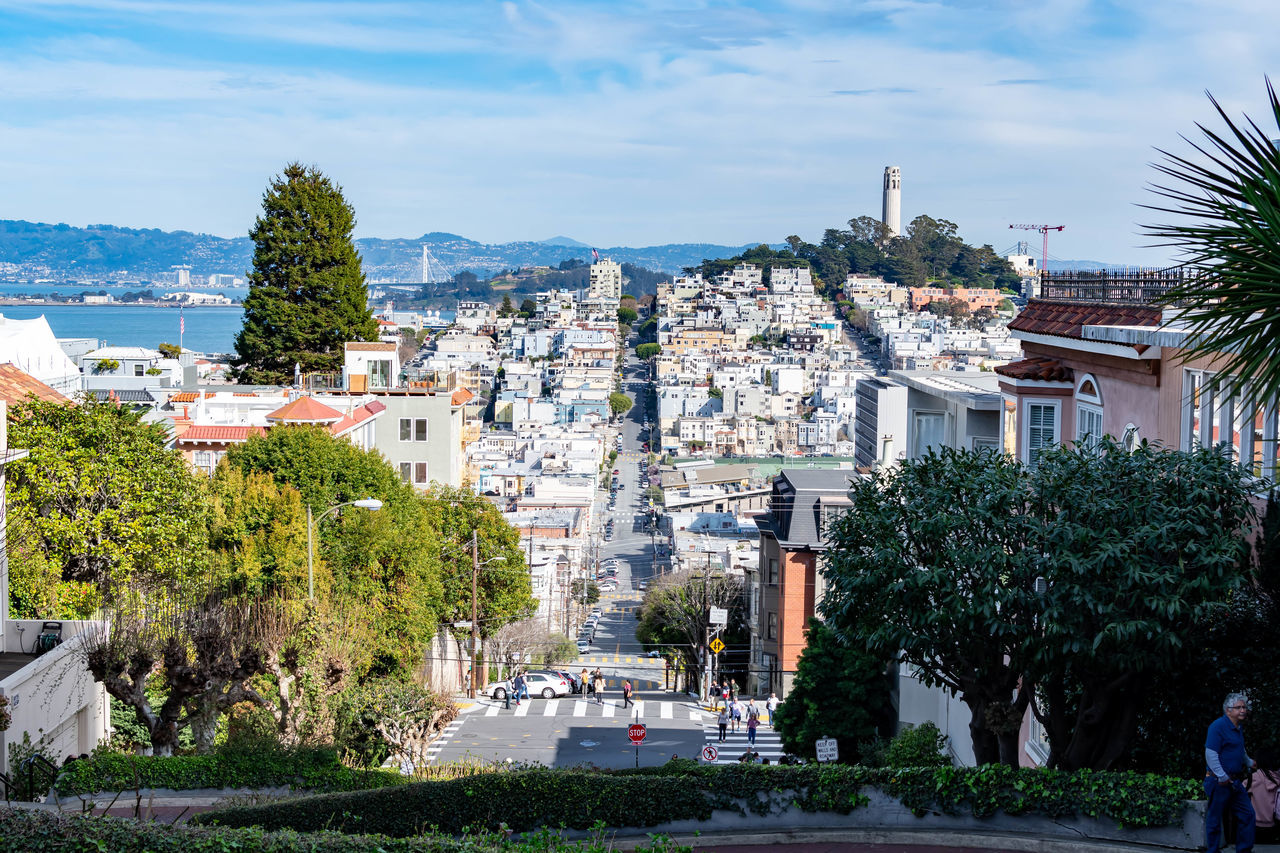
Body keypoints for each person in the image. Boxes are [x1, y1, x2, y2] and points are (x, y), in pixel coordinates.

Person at [1205, 692, 1257, 853]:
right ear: (1228, 710)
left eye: (1244, 707)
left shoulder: (1237, 727)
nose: (1243, 710)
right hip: (1218, 781)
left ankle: (1244, 850)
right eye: (1239, 707)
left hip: (1233, 782)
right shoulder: (1218, 726)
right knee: (1215, 819)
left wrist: (1248, 761)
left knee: (1247, 814)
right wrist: (1221, 775)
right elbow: (1210, 753)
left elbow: (1239, 749)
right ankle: (1213, 851)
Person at [1248, 750, 1280, 843]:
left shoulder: (1254, 778)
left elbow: (1240, 790)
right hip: (1274, 823)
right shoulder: (1277, 777)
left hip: (1255, 824)